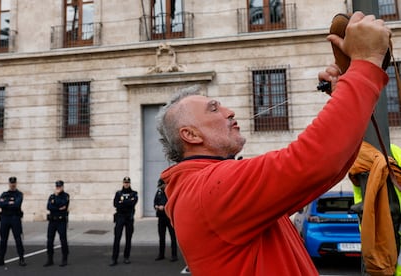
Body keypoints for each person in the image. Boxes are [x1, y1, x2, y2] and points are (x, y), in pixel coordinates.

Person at [155, 12, 392, 276]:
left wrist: (348, 92)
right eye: (214, 109)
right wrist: (365, 64)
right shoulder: (208, 190)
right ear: (191, 135)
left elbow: (328, 167)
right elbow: (312, 162)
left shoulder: (202, 188)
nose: (230, 111)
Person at [0, 176, 26, 267]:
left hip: (15, 218)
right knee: (3, 240)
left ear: (16, 183)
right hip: (5, 219)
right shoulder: (4, 194)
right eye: (11, 183)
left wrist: (5, 203)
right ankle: (0, 259)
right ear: (9, 183)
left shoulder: (19, 194)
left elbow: (17, 204)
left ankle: (21, 258)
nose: (12, 185)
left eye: (14, 183)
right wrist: (9, 203)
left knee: (18, 239)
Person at [110, 176, 138, 266]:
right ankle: (114, 258)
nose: (126, 184)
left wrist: (122, 203)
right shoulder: (118, 193)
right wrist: (127, 202)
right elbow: (115, 204)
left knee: (128, 239)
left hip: (129, 218)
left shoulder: (134, 193)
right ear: (123, 183)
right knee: (117, 238)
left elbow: (133, 203)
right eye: (125, 183)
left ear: (129, 183)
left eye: (128, 183)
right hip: (120, 217)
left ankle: (126, 257)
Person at [43, 180, 70, 267]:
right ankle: (50, 259)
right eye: (57, 187)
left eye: (60, 187)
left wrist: (55, 201)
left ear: (62, 187)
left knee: (63, 240)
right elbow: (48, 206)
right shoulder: (52, 196)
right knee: (50, 240)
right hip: (52, 221)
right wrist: (58, 207)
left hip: (61, 221)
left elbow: (64, 204)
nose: (58, 188)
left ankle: (64, 259)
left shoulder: (66, 196)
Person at [154, 178, 178, 262]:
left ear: (165, 185)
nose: (160, 187)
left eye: (161, 186)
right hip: (161, 218)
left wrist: (164, 207)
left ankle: (174, 255)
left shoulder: (170, 192)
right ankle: (161, 254)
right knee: (161, 237)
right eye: (159, 186)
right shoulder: (159, 192)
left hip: (169, 218)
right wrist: (156, 206)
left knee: (172, 237)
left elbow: (172, 203)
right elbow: (155, 202)